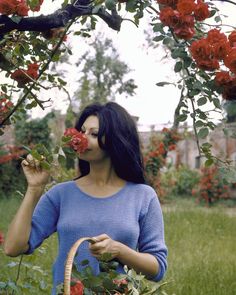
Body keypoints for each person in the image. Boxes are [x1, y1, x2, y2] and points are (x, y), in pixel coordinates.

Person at [4, 102, 168, 294]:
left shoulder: (142, 196)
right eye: (82, 131)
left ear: (117, 139)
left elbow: (158, 269)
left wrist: (119, 250)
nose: (82, 138)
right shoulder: (61, 194)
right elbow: (13, 248)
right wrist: (34, 189)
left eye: (94, 134)